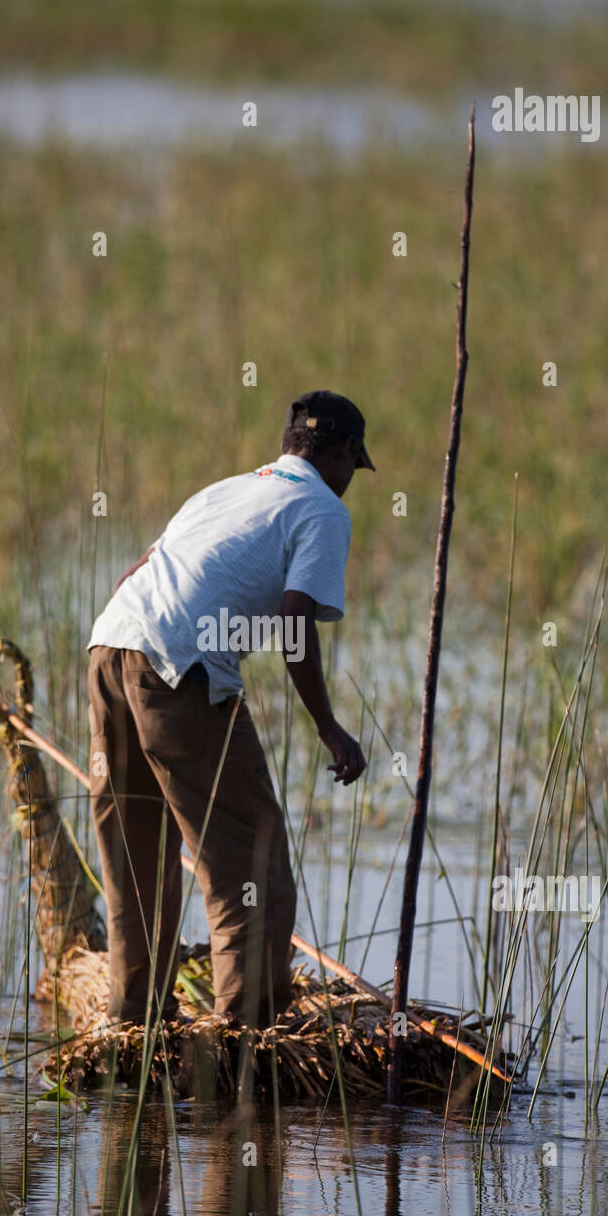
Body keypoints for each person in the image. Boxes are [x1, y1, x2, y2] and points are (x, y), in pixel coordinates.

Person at [86, 390, 373, 1029]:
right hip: (179, 669)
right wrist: (330, 729)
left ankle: (135, 1021)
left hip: (109, 649)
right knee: (252, 862)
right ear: (342, 452)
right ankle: (248, 1048)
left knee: (136, 850)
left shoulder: (223, 491)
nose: (351, 479)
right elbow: (296, 621)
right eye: (354, 464)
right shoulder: (322, 508)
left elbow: (131, 578)